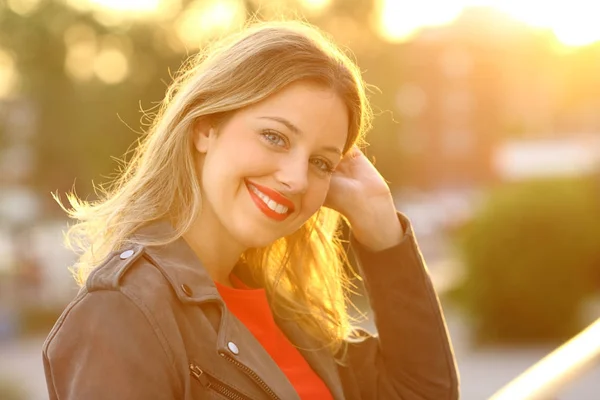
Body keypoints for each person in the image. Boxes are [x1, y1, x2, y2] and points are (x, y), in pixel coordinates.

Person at [42, 20, 459, 400]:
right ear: (206, 126)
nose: (296, 178)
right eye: (274, 137)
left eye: (321, 162)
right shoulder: (123, 312)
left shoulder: (290, 318)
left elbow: (425, 394)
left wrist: (381, 225)